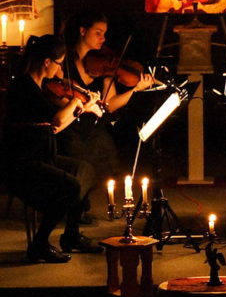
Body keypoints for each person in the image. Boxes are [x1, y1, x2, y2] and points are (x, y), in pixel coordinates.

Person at [0, 34, 103, 263]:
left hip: (42, 154)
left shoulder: (40, 87)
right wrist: (77, 104)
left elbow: (54, 128)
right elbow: (56, 121)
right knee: (70, 186)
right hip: (19, 162)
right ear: (46, 62)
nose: (60, 70)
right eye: (59, 63)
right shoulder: (23, 87)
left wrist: (86, 107)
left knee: (86, 170)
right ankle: (39, 244)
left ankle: (71, 235)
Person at [58, 11, 157, 217]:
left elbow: (110, 105)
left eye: (105, 34)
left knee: (107, 162)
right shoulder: (64, 60)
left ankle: (78, 205)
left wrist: (135, 90)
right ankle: (72, 208)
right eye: (98, 33)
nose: (103, 39)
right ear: (82, 31)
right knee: (82, 163)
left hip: (92, 125)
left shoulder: (104, 66)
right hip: (71, 125)